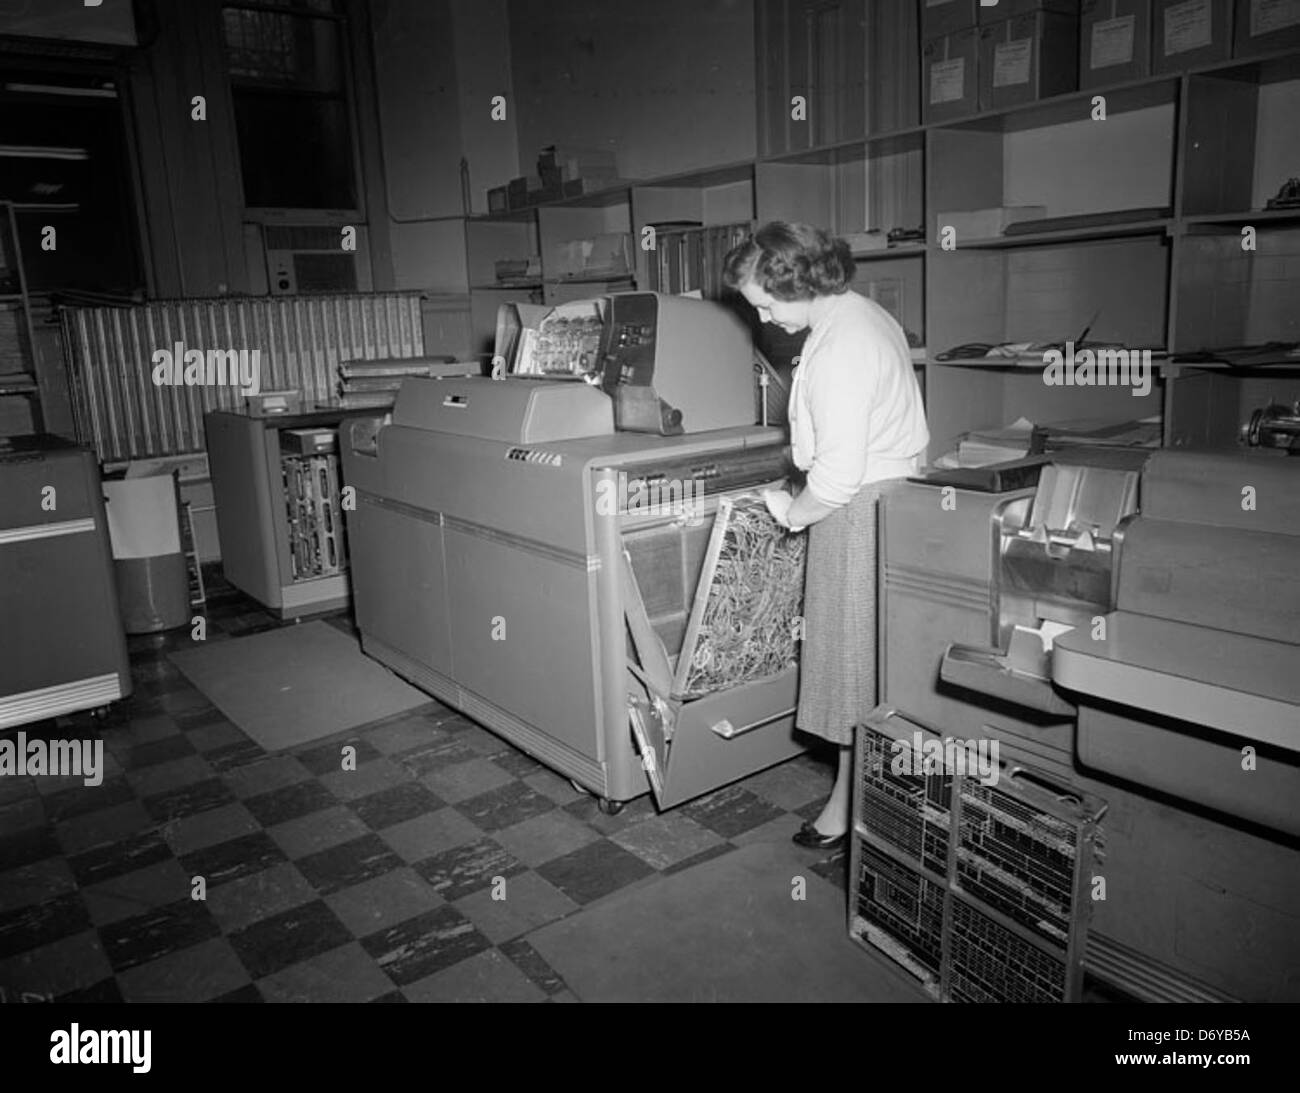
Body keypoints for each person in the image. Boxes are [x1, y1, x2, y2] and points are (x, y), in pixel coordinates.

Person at [723, 222, 929, 849]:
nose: (760, 316)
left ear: (801, 282)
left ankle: (851, 810)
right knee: (863, 666)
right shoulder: (858, 317)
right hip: (883, 499)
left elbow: (837, 477)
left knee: (846, 667)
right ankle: (865, 800)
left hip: (858, 508)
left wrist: (789, 512)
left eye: (765, 301)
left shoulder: (843, 344)